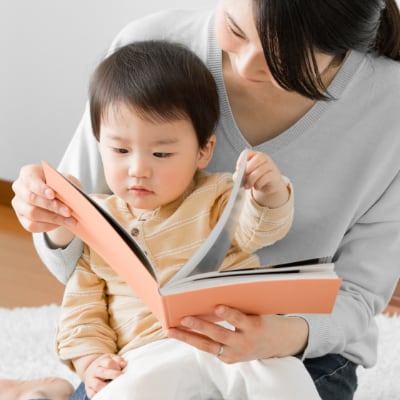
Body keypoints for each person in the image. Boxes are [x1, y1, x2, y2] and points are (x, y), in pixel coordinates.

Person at [7, 0, 400, 399]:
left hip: (299, 347)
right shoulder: (147, 50)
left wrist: (281, 334)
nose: (246, 67)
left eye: (284, 58)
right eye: (235, 29)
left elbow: (356, 295)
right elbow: (82, 260)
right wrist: (47, 213)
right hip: (145, 349)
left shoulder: (390, 107)